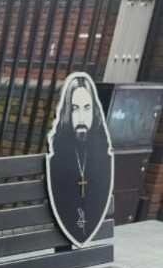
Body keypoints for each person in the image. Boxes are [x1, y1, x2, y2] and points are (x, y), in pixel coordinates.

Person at [46, 72, 113, 246]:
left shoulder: (101, 156)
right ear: (67, 113)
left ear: (95, 112)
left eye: (87, 108)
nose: (82, 118)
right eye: (75, 109)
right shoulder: (59, 156)